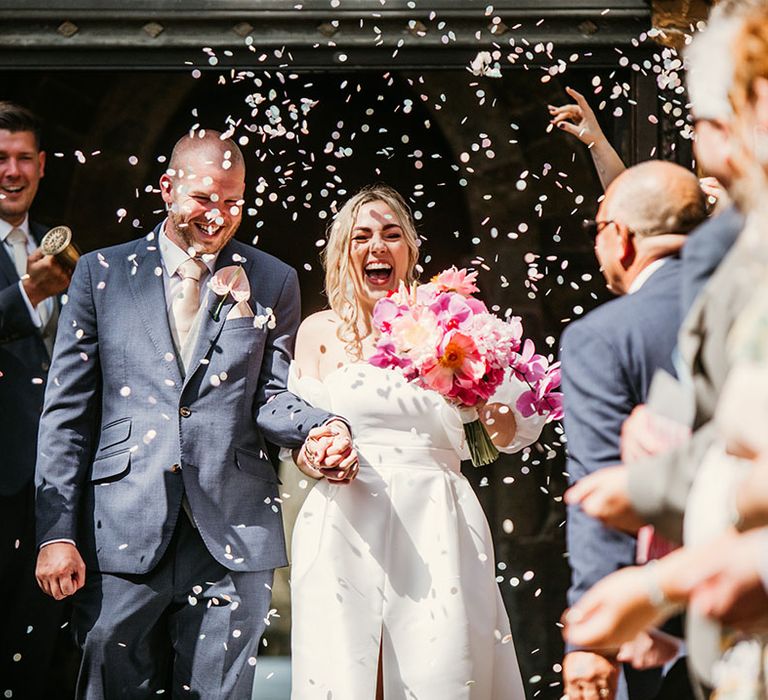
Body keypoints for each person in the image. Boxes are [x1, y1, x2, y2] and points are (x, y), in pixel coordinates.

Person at [33, 129, 357, 697]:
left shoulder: (273, 279)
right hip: (122, 525)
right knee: (111, 679)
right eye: (205, 198)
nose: (220, 215)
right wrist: (56, 534)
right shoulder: (101, 274)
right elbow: (67, 412)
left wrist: (323, 425)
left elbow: (270, 397)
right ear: (167, 188)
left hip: (232, 529)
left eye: (234, 201)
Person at [286, 184, 549, 699]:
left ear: (410, 250)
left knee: (442, 670)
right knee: (349, 672)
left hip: (438, 517)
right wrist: (315, 456)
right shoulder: (318, 331)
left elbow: (509, 431)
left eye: (391, 235)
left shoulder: (455, 323)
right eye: (361, 236)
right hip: (344, 521)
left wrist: (480, 387)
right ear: (343, 252)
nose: (376, 246)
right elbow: (299, 437)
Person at [561, 161, 706, 700]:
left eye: (598, 229)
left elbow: (599, 487)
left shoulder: (603, 336)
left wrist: (594, 641)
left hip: (662, 617)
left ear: (620, 238)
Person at [0, 101, 74, 698]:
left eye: (24, 157)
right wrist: (26, 294)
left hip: (52, 484)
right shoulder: (34, 271)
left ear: (43, 165)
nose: (12, 170)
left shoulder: (61, 246)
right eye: (0, 158)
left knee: (49, 642)